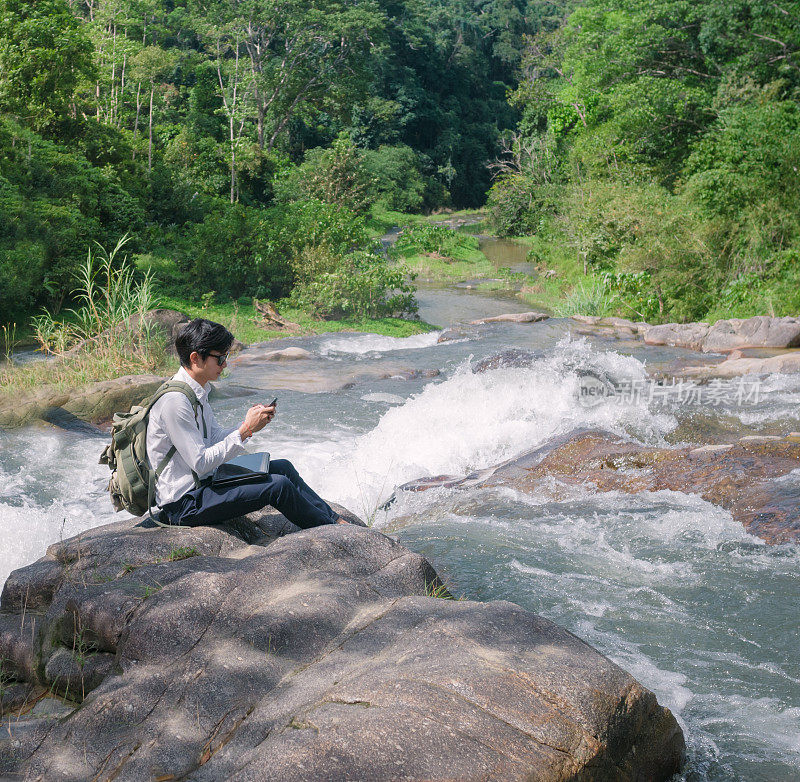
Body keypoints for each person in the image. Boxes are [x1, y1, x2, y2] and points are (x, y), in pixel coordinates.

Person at [146, 318, 348, 528]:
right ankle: (330, 530)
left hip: (204, 483)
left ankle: (335, 520)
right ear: (196, 358)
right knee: (278, 486)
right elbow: (201, 462)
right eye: (220, 358)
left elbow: (213, 437)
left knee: (283, 468)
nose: (225, 364)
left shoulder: (197, 391)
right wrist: (245, 430)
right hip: (186, 503)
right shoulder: (175, 402)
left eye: (226, 356)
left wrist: (249, 425)